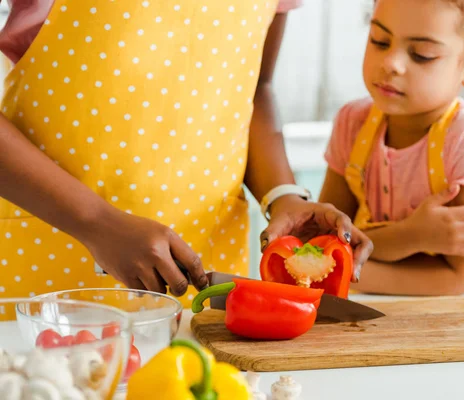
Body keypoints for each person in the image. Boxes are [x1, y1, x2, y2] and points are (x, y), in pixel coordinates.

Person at [0, 0, 373, 306]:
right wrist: (96, 222)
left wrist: (283, 197)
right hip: (44, 270)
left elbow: (254, 88)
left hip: (203, 276)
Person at [319, 0, 464, 295]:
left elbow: (457, 280)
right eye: (380, 40)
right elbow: (328, 239)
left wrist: (337, 270)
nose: (391, 63)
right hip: (374, 310)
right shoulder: (353, 123)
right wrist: (411, 235)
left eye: (422, 55)